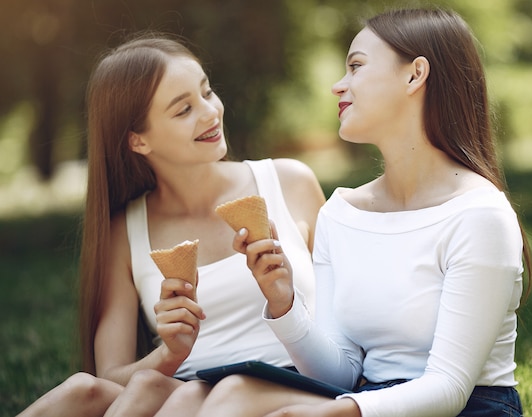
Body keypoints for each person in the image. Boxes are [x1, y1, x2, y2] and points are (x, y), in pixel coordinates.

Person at [161, 7, 532, 417]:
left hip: (469, 407)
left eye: (355, 67)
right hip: (366, 397)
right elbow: (339, 374)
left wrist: (333, 412)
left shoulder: (479, 214)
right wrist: (284, 302)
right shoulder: (342, 212)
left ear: (415, 75)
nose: (338, 86)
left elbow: (449, 389)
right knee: (227, 394)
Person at [16, 33, 325, 417]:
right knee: (85, 389)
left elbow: (350, 318)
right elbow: (110, 376)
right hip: (188, 391)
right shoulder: (124, 233)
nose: (210, 112)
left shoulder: (290, 182)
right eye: (184, 110)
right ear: (138, 141)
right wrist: (170, 353)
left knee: (192, 397)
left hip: (295, 384)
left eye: (207, 92)